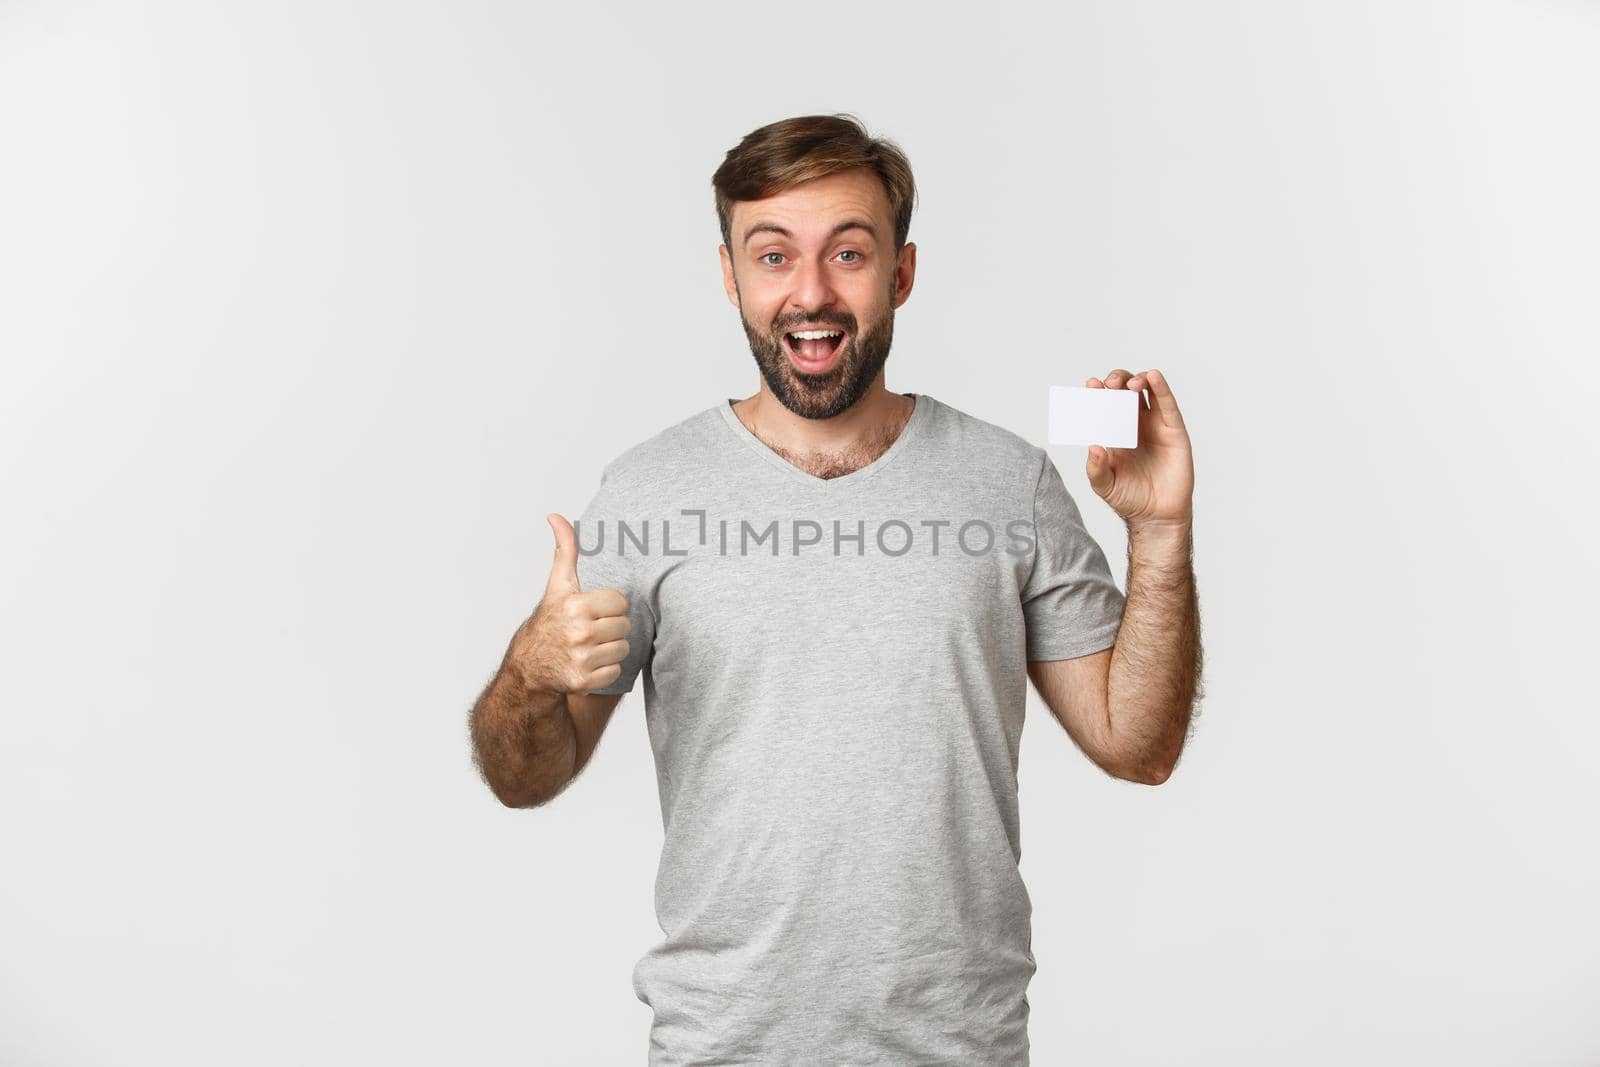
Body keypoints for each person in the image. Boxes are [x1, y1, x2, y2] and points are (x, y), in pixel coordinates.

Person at [469, 113, 1202, 1065]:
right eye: (772, 256)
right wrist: (530, 669)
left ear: (900, 271)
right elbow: (526, 776)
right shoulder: (647, 494)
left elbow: (1138, 746)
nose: (809, 293)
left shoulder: (1006, 481)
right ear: (730, 275)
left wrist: (1159, 532)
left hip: (958, 1049)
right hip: (722, 1047)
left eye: (847, 253)